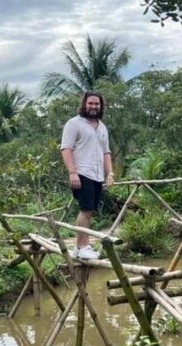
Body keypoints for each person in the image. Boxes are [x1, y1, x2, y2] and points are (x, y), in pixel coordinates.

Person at [60, 91, 114, 259]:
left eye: (96, 104)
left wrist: (110, 173)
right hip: (82, 173)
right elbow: (66, 149)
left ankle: (78, 248)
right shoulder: (74, 124)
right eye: (90, 103)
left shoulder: (102, 127)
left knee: (90, 211)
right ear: (84, 104)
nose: (93, 106)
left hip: (97, 175)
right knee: (85, 209)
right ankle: (84, 247)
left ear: (101, 106)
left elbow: (106, 152)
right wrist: (73, 172)